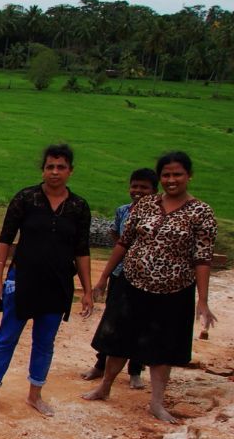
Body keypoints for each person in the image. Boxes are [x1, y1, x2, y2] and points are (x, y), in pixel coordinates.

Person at [83, 151, 218, 424]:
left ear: (189, 176)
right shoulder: (145, 205)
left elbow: (203, 258)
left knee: (163, 347)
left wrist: (202, 300)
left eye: (177, 174)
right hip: (133, 284)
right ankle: (105, 385)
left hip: (174, 291)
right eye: (166, 175)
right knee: (119, 340)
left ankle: (156, 402)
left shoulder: (201, 213)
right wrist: (103, 278)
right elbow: (123, 243)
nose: (171, 180)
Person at [0, 144, 94, 417]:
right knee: (7, 337)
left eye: (61, 167)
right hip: (22, 280)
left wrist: (87, 290)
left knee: (45, 341)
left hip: (58, 284)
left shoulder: (78, 207)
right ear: (43, 170)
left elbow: (81, 250)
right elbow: (5, 239)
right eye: (50, 167)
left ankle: (35, 395)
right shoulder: (26, 198)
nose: (55, 172)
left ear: (70, 171)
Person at [80, 169, 158, 389]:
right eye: (135, 186)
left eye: (144, 188)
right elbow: (117, 237)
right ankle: (100, 364)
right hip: (120, 273)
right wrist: (105, 275)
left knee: (142, 322)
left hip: (147, 277)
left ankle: (135, 370)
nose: (138, 191)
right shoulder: (123, 211)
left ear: (154, 190)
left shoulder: (159, 216)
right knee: (113, 320)